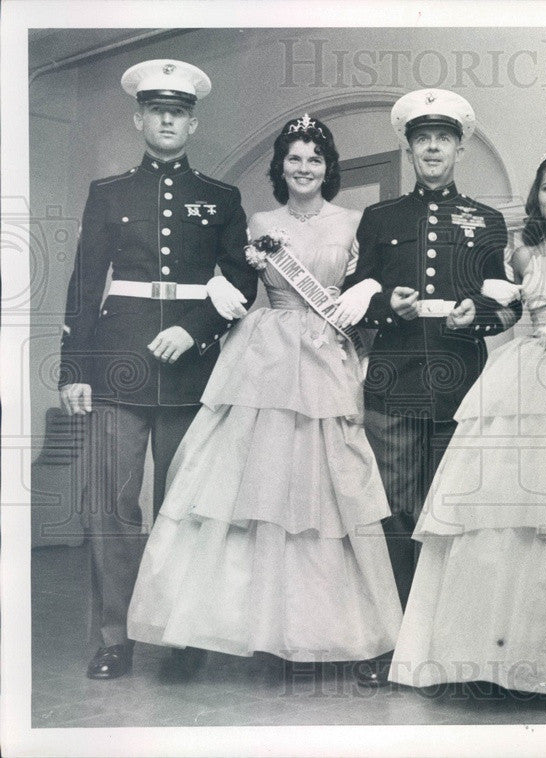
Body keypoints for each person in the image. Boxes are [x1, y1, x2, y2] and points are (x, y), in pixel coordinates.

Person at [126, 115, 402, 668]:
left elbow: (372, 279)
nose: (304, 168)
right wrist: (217, 283)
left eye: (314, 159)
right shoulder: (259, 220)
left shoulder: (354, 221)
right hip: (265, 353)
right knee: (246, 487)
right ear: (281, 166)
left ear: (329, 169)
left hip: (325, 353)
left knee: (325, 490)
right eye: (294, 158)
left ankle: (324, 630)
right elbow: (235, 276)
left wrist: (367, 288)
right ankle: (209, 629)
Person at [389, 146, 546, 703]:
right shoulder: (521, 253)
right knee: (510, 509)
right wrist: (475, 313)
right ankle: (495, 656)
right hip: (526, 369)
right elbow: (508, 312)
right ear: (537, 197)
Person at [58, 59, 259, 680]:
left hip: (191, 368)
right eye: (157, 111)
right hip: (116, 362)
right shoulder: (109, 193)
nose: (168, 120)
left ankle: (178, 630)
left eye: (179, 112)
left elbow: (244, 278)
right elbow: (87, 282)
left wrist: (195, 327)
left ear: (192, 124)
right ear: (139, 118)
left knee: (183, 506)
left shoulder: (221, 199)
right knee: (110, 507)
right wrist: (74, 369)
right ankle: (116, 635)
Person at [343, 89, 521, 683]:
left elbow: (507, 304)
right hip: (394, 377)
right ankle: (396, 639)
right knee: (394, 508)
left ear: (460, 147)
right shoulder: (380, 218)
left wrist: (482, 313)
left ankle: (446, 640)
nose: (433, 147)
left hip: (460, 379)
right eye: (423, 139)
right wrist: (387, 310)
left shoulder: (488, 220)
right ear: (410, 147)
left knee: (452, 511)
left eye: (444, 138)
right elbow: (354, 299)